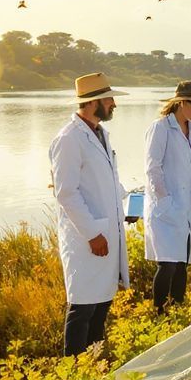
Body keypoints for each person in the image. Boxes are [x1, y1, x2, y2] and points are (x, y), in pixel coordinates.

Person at [49, 72, 131, 356]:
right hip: (87, 238)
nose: (113, 104)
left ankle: (96, 362)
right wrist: (93, 234)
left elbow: (107, 181)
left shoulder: (99, 133)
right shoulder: (69, 139)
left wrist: (127, 206)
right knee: (82, 307)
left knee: (102, 304)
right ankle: (72, 369)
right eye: (109, 100)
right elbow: (66, 193)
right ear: (93, 102)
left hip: (106, 233)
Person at [144, 81, 191, 313]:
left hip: (187, 208)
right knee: (167, 263)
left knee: (182, 263)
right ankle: (159, 312)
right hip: (165, 210)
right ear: (181, 102)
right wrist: (166, 201)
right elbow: (152, 169)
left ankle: (178, 309)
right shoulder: (160, 128)